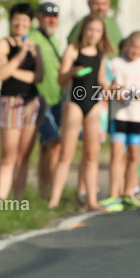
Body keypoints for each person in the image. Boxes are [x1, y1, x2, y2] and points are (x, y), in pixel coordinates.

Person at [48, 16, 113, 212]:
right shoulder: (72, 50)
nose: (93, 34)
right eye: (90, 29)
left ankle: (91, 200)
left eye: (98, 31)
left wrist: (110, 87)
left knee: (91, 155)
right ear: (84, 30)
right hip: (73, 103)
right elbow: (61, 78)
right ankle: (54, 201)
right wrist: (72, 73)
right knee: (66, 153)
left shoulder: (101, 54)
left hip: (93, 104)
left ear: (102, 34)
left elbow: (101, 79)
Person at [102, 32, 140, 211]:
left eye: (139, 48)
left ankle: (129, 193)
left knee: (134, 154)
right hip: (118, 115)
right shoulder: (116, 64)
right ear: (126, 45)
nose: (135, 51)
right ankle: (114, 194)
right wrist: (115, 91)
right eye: (132, 46)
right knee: (117, 153)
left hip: (137, 116)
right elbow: (106, 89)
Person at [0, 3, 44, 199]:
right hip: (10, 102)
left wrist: (12, 70)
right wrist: (21, 55)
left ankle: (18, 199)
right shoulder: (4, 44)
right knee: (8, 156)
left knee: (24, 157)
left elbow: (38, 77)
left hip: (31, 103)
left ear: (30, 22)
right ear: (11, 20)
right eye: (17, 18)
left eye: (25, 19)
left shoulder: (35, 47)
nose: (20, 23)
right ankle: (1, 200)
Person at [28, 2, 63, 198]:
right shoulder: (32, 38)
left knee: (45, 148)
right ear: (39, 17)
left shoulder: (54, 40)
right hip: (40, 100)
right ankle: (52, 193)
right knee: (55, 143)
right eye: (48, 15)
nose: (52, 19)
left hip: (56, 99)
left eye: (55, 16)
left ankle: (43, 193)